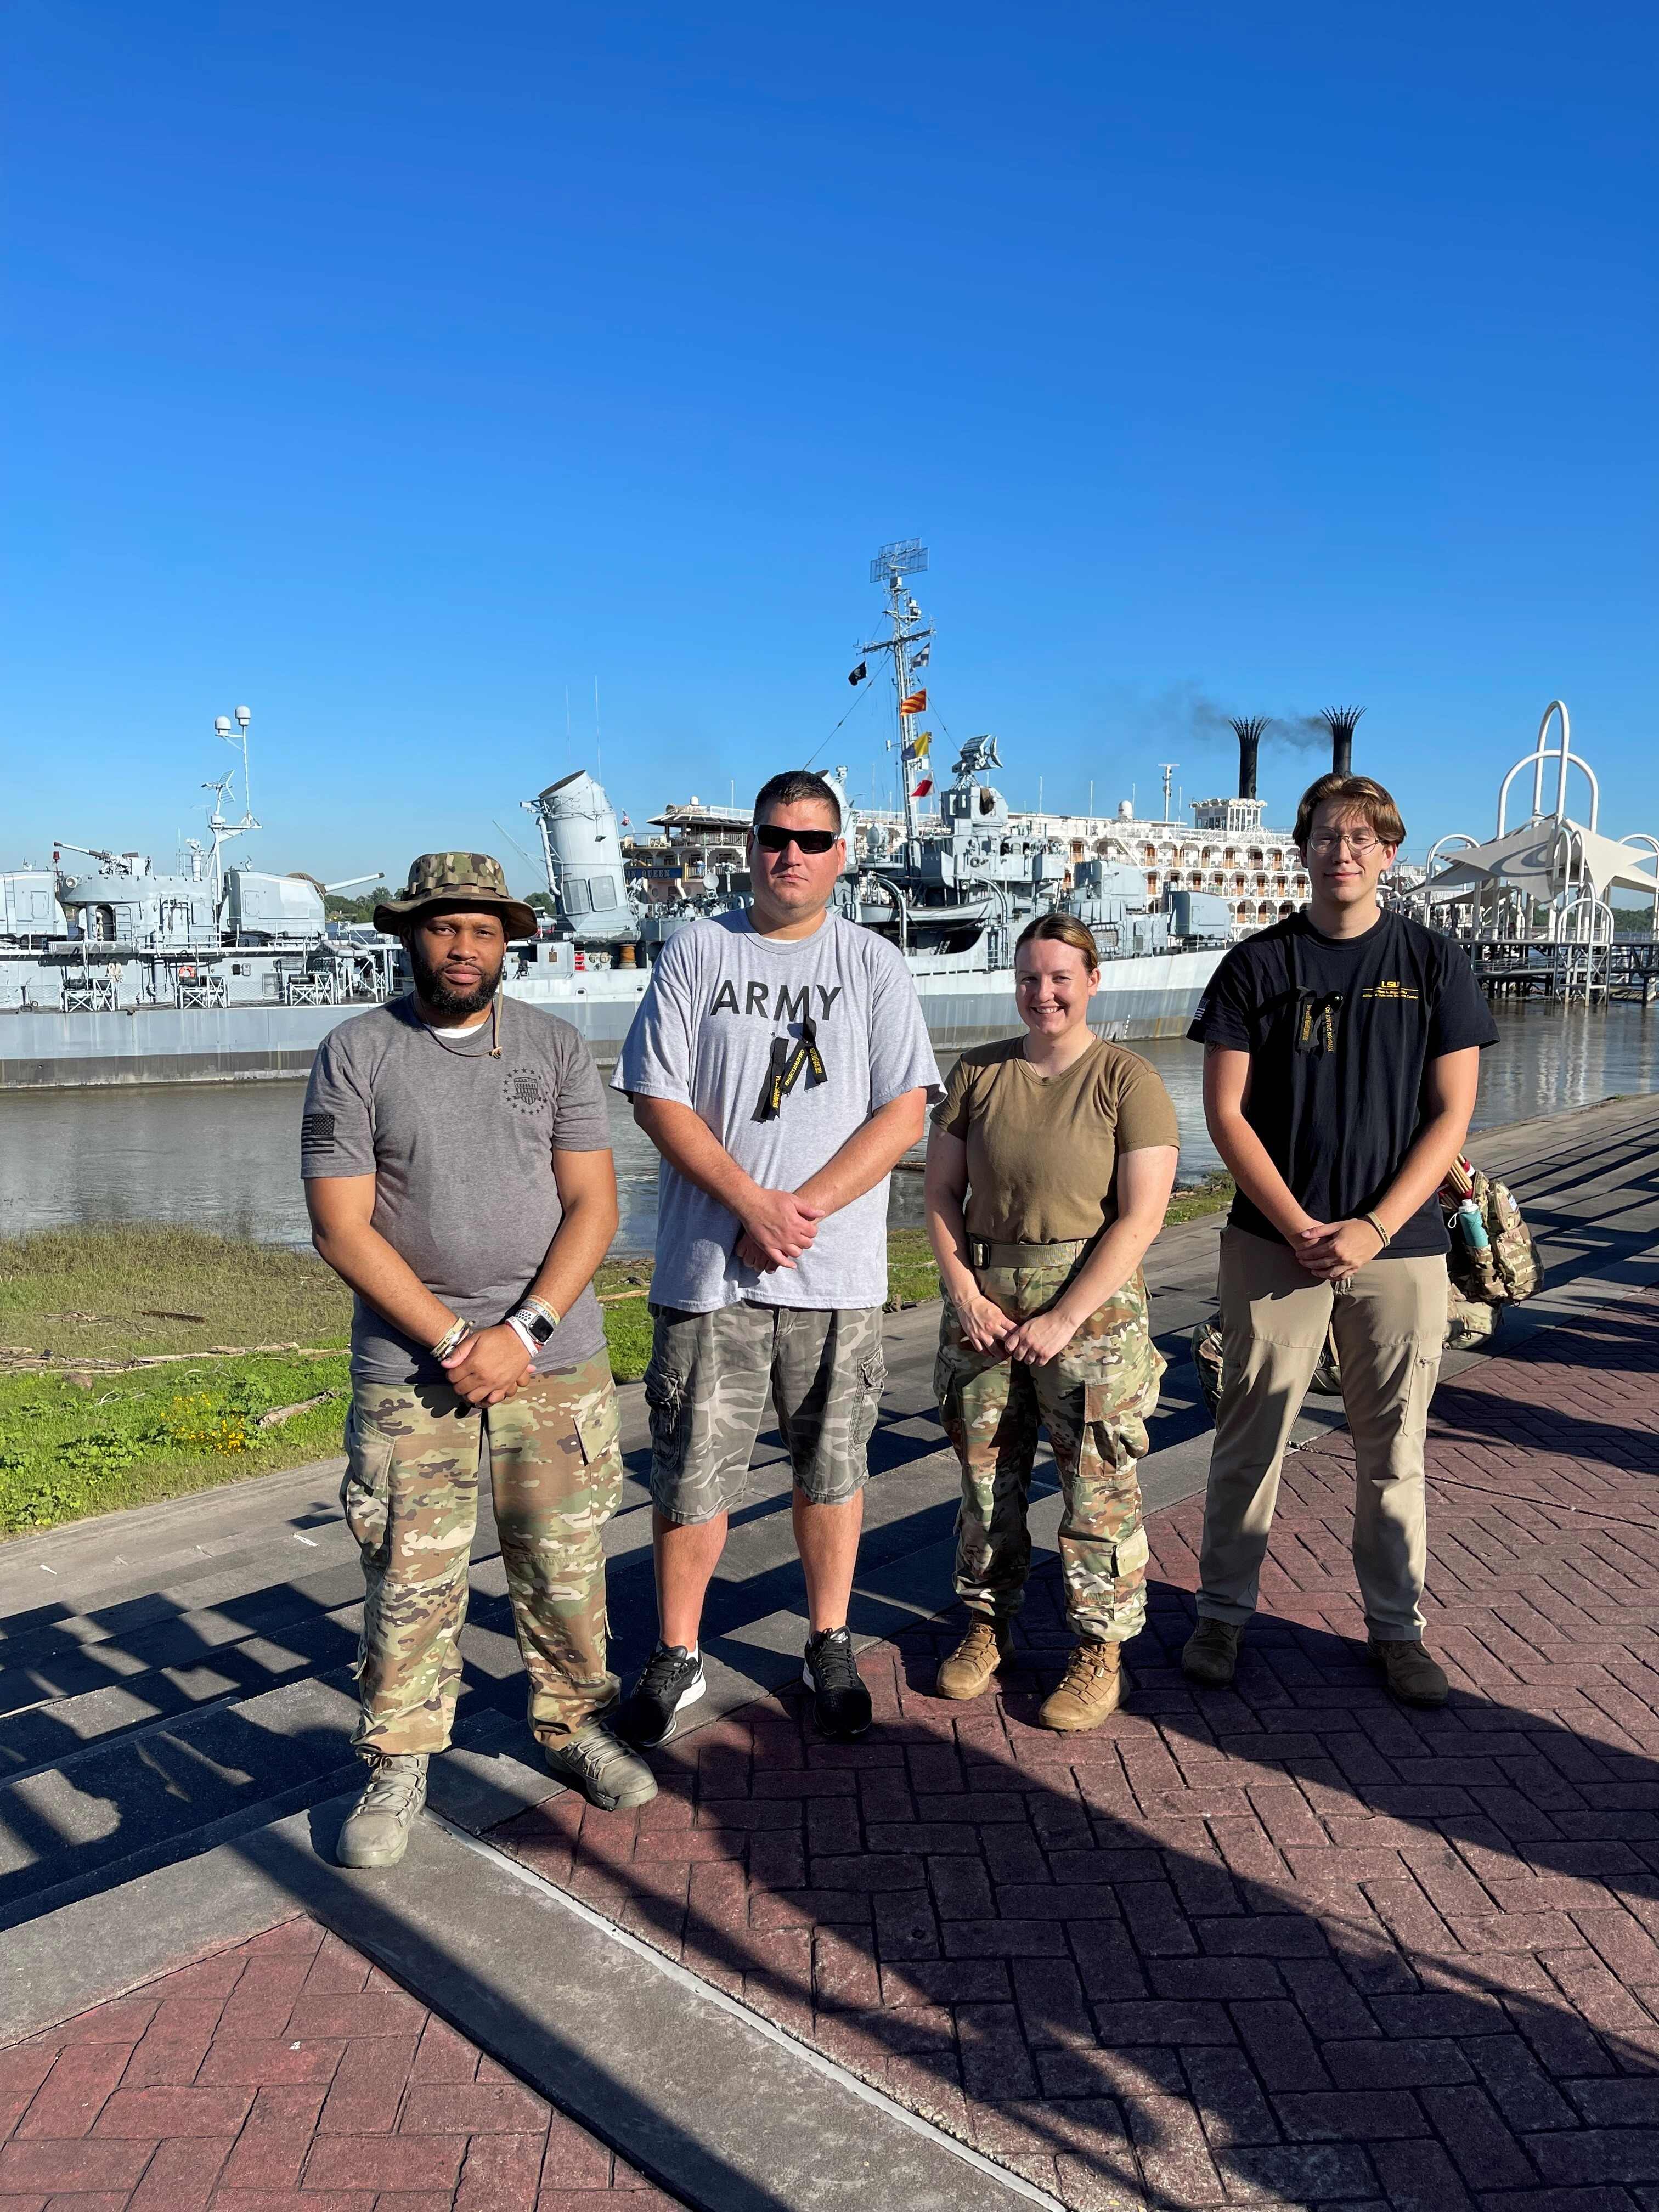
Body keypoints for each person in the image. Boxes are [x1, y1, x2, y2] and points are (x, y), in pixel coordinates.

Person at [302, 851, 654, 1870]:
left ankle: (574, 1725)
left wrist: (523, 1334)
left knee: (565, 1563)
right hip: (414, 1373)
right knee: (410, 1572)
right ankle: (400, 1758)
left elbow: (596, 1205)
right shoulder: (357, 1053)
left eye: (486, 930)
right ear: (410, 935)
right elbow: (340, 1227)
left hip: (554, 1362)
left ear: (512, 942)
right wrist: (457, 1341)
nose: (466, 948)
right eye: (446, 928)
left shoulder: (554, 1048)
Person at [614, 771, 940, 1745]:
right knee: (689, 1478)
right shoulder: (696, 952)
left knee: (832, 1473)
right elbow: (655, 1096)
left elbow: (906, 1108)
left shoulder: (876, 966)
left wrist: (804, 1211)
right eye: (772, 837)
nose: (788, 854)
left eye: (809, 839)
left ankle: (828, 1638)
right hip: (710, 1275)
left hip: (836, 1279)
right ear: (750, 847)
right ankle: (678, 1654)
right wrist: (749, 1202)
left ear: (841, 855)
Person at [1182, 774, 1498, 1706]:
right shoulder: (1257, 966)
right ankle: (1221, 1614)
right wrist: (1298, 1224)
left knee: (1395, 1445)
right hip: (1273, 1242)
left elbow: (1453, 1116)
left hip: (1397, 1252)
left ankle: (1397, 1630)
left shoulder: (1436, 962)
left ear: (1389, 853)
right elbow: (1226, 1114)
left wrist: (1371, 1225)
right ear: (1304, 847)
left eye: (1363, 839)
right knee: (1250, 1436)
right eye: (1327, 836)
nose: (1344, 853)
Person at [925, 915, 1178, 1729]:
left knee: (1097, 1487)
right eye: (1031, 979)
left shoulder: (1126, 1080)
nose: (1045, 994)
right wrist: (964, 1291)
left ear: (1093, 981)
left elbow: (1141, 1219)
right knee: (985, 1479)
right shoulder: (977, 1073)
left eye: (1062, 978)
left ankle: (1100, 1651)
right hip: (988, 1303)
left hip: (1092, 1307)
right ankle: (985, 1624)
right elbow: (939, 1196)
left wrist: (1068, 1315)